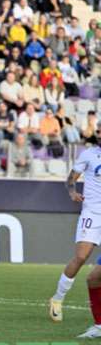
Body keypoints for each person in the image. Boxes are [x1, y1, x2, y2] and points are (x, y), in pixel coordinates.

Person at [50, 125, 101, 324]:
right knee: (81, 257)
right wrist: (72, 192)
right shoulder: (88, 155)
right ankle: (57, 298)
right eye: (98, 131)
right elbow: (71, 178)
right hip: (92, 214)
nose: (99, 134)